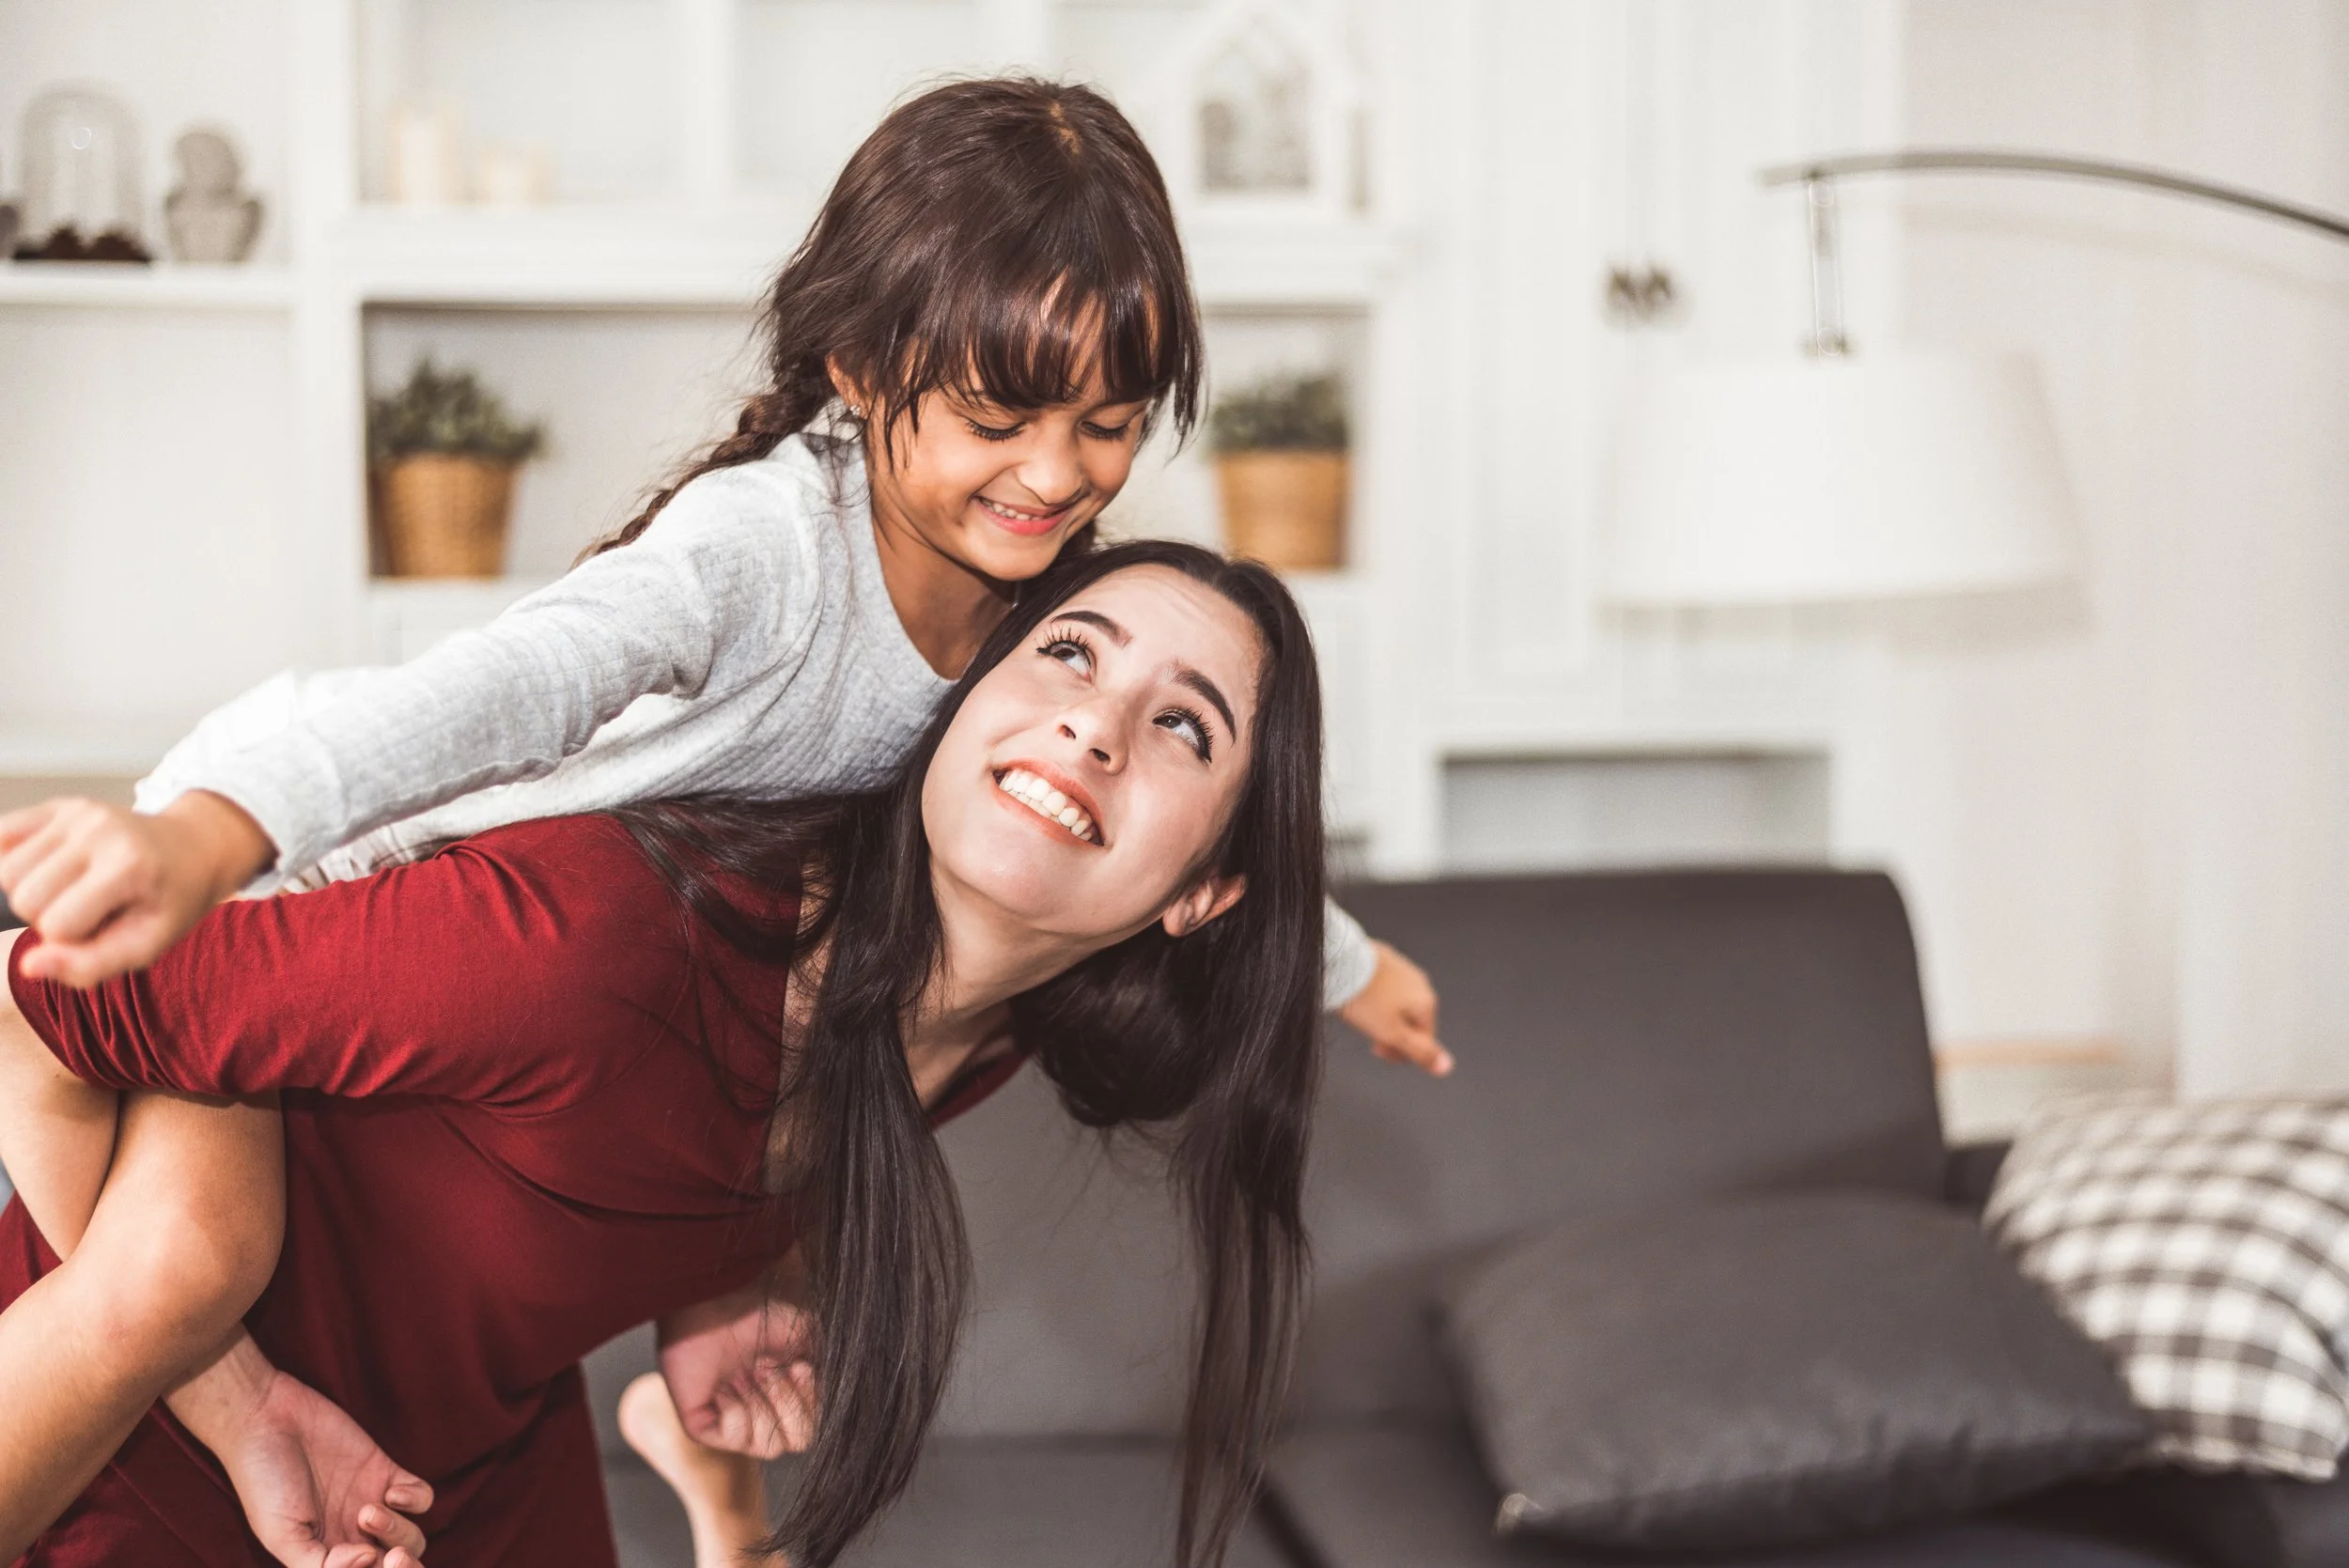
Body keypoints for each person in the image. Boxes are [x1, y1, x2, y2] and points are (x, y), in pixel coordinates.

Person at [0, 76, 1447, 1081]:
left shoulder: (1049, 607)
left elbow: (1175, 797)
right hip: (299, 852)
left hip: (452, 950)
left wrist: (1341, 966)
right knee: (174, 1278)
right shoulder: (761, 553)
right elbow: (512, 685)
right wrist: (206, 834)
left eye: (1110, 425)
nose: (1057, 476)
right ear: (862, 368)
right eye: (999, 420)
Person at [0, 540, 1326, 1568]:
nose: (1096, 726)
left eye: (1185, 726)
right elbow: (38, 998)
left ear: (1205, 893)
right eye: (1071, 655)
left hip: (457, 1479)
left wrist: (742, 1277)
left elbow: (686, 1138)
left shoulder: (984, 1039)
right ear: (962, 704)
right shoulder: (593, 941)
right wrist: (224, 1378)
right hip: (134, 1440)